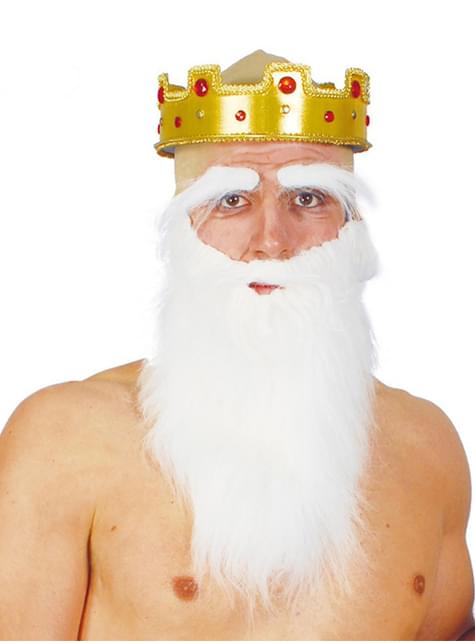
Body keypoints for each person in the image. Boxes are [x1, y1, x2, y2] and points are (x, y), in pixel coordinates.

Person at [0, 49, 474, 641]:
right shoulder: (64, 438)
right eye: (232, 200)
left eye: (309, 198)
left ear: (352, 226)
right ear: (184, 227)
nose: (272, 242)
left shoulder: (428, 444)